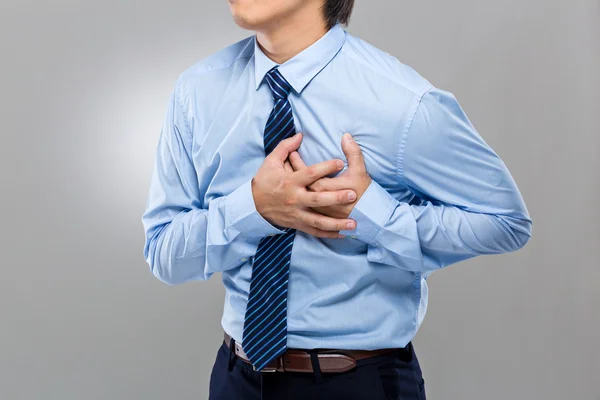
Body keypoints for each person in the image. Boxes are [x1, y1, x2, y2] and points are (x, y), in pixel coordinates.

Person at [141, 0, 533, 398]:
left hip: (357, 380)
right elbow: (163, 253)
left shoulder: (402, 102)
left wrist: (374, 215)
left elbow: (506, 221)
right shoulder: (196, 92)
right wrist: (254, 209)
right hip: (236, 378)